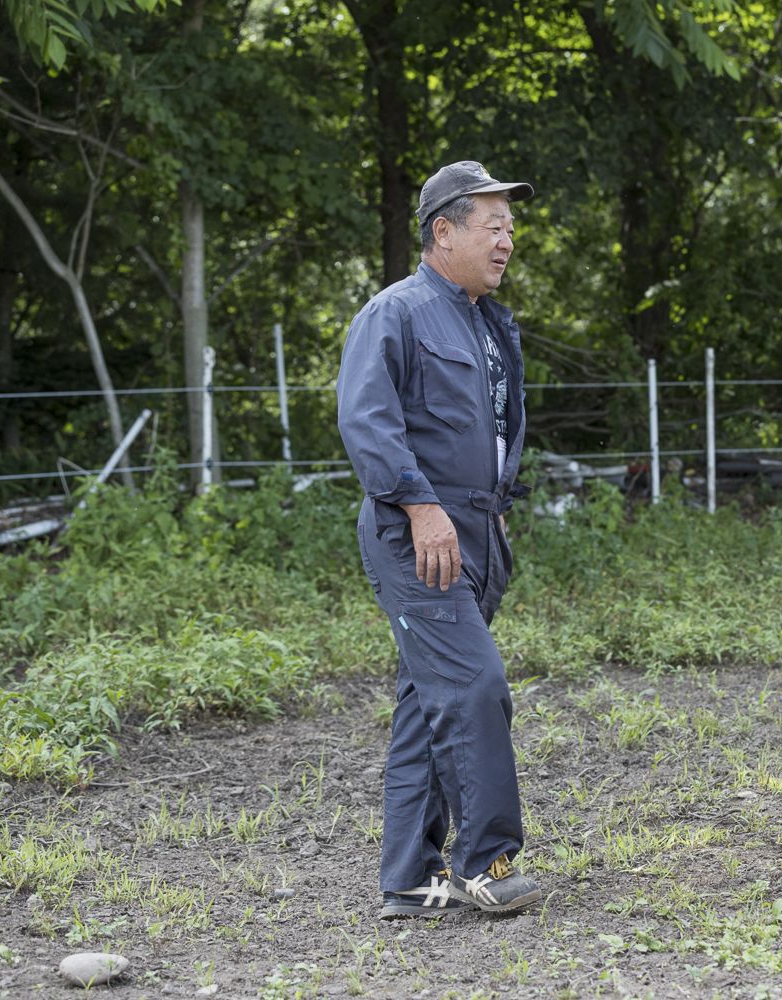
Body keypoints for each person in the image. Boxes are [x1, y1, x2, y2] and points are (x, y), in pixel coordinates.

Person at [336, 160, 540, 919]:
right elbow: (367, 420)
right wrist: (422, 504)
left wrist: (495, 507)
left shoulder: (487, 322)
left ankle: (407, 882)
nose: (506, 240)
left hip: (475, 532)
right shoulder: (395, 313)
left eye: (511, 228)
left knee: (430, 702)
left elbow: (490, 428)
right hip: (417, 531)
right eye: (493, 226)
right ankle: (485, 861)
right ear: (442, 231)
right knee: (475, 688)